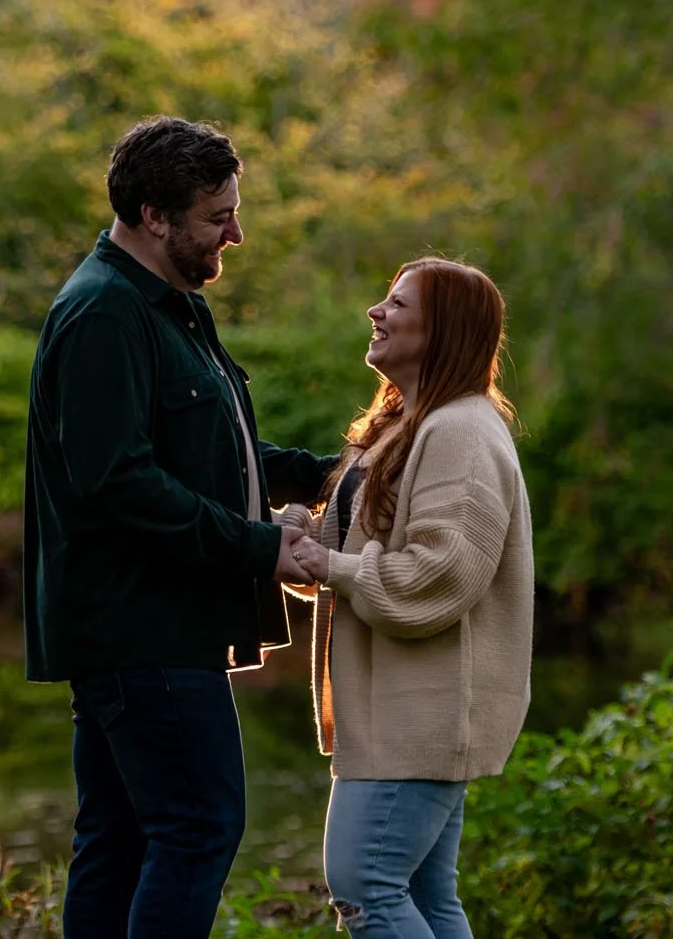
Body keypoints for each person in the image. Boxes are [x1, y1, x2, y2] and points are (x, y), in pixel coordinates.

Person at [24, 115, 338, 938]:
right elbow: (117, 482)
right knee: (199, 829)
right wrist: (262, 546)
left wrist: (324, 473)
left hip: (147, 632)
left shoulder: (165, 306)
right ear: (154, 216)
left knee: (121, 840)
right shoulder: (104, 316)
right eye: (217, 215)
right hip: (143, 633)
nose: (236, 232)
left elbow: (209, 450)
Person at [283, 258, 533, 939]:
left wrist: (331, 564)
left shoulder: (460, 431)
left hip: (420, 713)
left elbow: (439, 573)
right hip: (397, 711)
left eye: (397, 303)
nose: (376, 312)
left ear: (443, 330)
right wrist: (288, 541)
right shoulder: (407, 424)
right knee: (425, 896)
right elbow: (354, 543)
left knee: (365, 889)